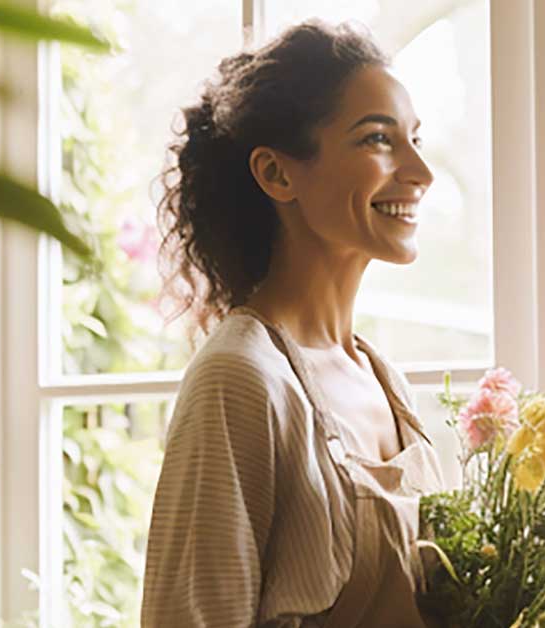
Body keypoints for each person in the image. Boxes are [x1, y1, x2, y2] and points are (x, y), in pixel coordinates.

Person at [141, 19, 444, 628]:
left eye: (414, 139)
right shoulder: (240, 379)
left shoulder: (384, 381)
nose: (420, 171)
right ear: (278, 174)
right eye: (378, 140)